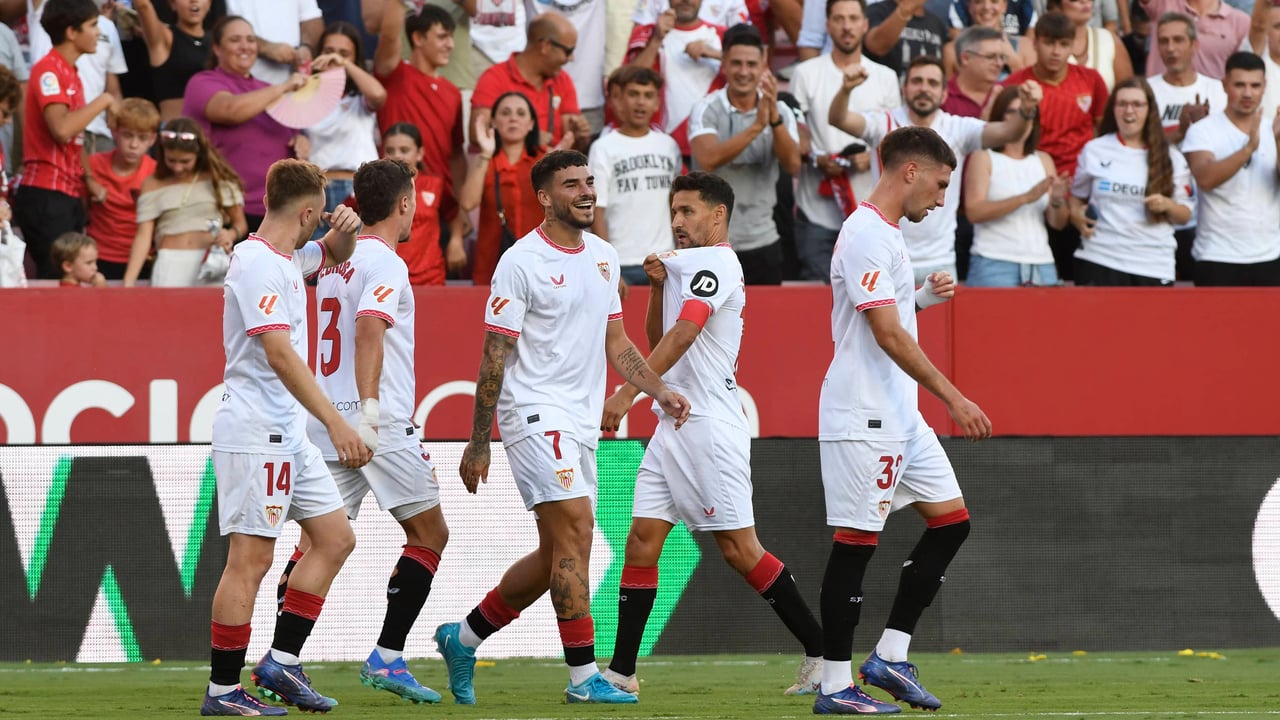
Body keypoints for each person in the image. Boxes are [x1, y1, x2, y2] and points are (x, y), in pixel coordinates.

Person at [433, 150, 690, 705]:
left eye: (589, 181)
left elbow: (617, 344)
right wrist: (479, 441)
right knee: (577, 528)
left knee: (557, 552)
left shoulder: (602, 255)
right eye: (571, 184)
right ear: (546, 198)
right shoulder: (519, 262)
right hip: (531, 412)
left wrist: (659, 390)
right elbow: (494, 356)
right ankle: (582, 677)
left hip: (578, 419)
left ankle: (464, 637)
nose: (586, 191)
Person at [597, 171, 825, 699]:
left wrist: (626, 393)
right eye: (673, 212)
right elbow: (661, 337)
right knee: (641, 543)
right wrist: (655, 289)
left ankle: (822, 653)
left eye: (689, 212)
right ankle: (622, 673)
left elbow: (686, 333)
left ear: (718, 216)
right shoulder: (683, 267)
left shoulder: (717, 262)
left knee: (741, 550)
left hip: (708, 426)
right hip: (672, 425)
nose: (677, 222)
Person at [815, 125, 990, 716]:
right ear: (910, 171)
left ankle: (889, 655)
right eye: (941, 185)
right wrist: (954, 397)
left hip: (898, 415)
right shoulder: (864, 231)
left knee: (952, 523)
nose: (942, 199)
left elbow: (886, 312)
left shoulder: (885, 235)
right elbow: (882, 332)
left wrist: (920, 298)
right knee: (856, 546)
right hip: (865, 413)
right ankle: (835, 686)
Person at [201, 159, 370, 717]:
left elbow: (332, 253)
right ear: (302, 211)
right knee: (250, 560)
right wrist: (337, 423)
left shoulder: (286, 257)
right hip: (256, 433)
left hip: (287, 436)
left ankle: (281, 661)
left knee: (335, 537)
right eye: (317, 213)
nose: (318, 222)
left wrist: (342, 227)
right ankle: (223, 691)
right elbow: (279, 354)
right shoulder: (254, 264)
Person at [284, 158, 451, 705]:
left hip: (322, 419)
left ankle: (284, 658)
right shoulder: (386, 263)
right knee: (429, 535)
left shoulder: (335, 261)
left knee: (313, 544)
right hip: (373, 423)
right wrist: (372, 413)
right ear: (405, 204)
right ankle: (387, 655)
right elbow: (369, 333)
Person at [829, 55, 1043, 283]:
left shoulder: (957, 127)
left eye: (932, 83)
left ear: (944, 93)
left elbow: (1010, 133)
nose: (924, 88)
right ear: (904, 88)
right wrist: (845, 90)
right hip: (888, 252)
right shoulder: (883, 123)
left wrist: (1027, 111)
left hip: (940, 260)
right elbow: (838, 119)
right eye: (917, 81)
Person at [790, 0, 900, 283]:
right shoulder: (805, 73)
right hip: (816, 213)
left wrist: (872, 156)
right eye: (839, 19)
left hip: (869, 215)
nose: (847, 26)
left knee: (868, 301)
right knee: (813, 307)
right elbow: (796, 131)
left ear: (865, 24)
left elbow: (896, 139)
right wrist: (814, 157)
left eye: (853, 18)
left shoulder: (885, 78)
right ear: (827, 25)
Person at [688, 23, 800, 285]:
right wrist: (757, 127)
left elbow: (793, 165)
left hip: (763, 240)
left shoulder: (780, 111)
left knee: (767, 325)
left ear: (764, 64)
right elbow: (708, 159)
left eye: (751, 64)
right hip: (710, 244)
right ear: (724, 63)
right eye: (736, 63)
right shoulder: (706, 108)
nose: (744, 72)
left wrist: (773, 121)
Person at [15, 0, 120, 280]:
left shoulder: (69, 71)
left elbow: (73, 138)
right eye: (93, 25)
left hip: (66, 192)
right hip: (46, 194)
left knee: (71, 284)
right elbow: (61, 129)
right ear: (72, 32)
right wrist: (106, 99)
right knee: (58, 281)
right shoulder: (48, 70)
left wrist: (88, 180)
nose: (99, 32)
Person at [1003, 11, 1108, 279]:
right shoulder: (1017, 84)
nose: (1056, 51)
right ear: (1035, 43)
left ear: (1073, 45)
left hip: (1080, 190)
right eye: (1049, 43)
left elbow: (1104, 131)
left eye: (1063, 44)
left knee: (1080, 272)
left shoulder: (1091, 79)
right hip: (1031, 187)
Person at [182, 15, 311, 233]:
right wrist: (283, 87)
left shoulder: (267, 88)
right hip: (227, 210)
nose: (245, 46)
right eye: (235, 40)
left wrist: (302, 140)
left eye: (251, 40)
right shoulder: (203, 82)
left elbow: (293, 132)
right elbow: (230, 111)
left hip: (277, 211)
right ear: (216, 48)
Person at [1069, 77, 1192, 285]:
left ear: (1149, 110)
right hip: (1100, 258)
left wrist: (1167, 205)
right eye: (1122, 104)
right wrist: (1075, 215)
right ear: (1113, 108)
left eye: (1137, 104)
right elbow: (1076, 199)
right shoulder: (1094, 149)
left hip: (1152, 264)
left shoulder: (1172, 157)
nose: (1129, 111)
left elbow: (1185, 215)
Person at [1182, 51, 1280, 286]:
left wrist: (1278, 142)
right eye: (1239, 85)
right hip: (1216, 256)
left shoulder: (1273, 130)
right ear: (1225, 85)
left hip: (1269, 255)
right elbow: (1205, 178)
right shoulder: (1202, 130)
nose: (1248, 93)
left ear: (1264, 86)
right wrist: (1248, 149)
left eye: (1255, 85)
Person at [964, 85, 1069, 286]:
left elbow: (1058, 223)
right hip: (994, 263)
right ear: (999, 117)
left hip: (1042, 264)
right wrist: (1025, 198)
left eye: (1027, 112)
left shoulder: (1043, 160)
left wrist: (1056, 201)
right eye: (1011, 112)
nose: (1020, 118)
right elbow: (974, 212)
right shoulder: (984, 157)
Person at [122, 117, 246, 287]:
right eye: (171, 160)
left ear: (199, 154)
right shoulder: (152, 184)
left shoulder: (218, 179)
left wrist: (230, 234)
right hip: (169, 261)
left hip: (211, 262)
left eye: (185, 161)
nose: (178, 167)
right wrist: (128, 283)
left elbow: (240, 224)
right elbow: (143, 236)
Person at [588, 66, 681, 286]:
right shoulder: (603, 148)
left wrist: (679, 253)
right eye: (634, 94)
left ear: (657, 103)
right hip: (622, 262)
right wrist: (608, 266)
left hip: (664, 260)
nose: (641, 102)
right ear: (620, 101)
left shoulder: (669, 146)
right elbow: (596, 210)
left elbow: (674, 204)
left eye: (648, 96)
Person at [458, 92, 557, 285]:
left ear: (531, 124)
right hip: (494, 266)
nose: (513, 118)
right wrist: (485, 153)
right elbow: (468, 203)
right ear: (493, 122)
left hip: (542, 267)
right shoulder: (485, 160)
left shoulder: (545, 159)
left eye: (521, 113)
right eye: (505, 113)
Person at [372, 2, 464, 194]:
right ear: (418, 38)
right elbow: (389, 38)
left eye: (451, 38)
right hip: (395, 193)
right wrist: (399, 3)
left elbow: (455, 155)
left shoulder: (453, 92)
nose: (451, 45)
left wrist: (460, 205)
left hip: (441, 201)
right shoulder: (395, 76)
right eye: (442, 37)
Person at [306, 20, 387, 227]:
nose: (334, 58)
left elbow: (378, 95)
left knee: (356, 258)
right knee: (317, 258)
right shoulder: (304, 97)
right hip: (316, 191)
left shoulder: (359, 98)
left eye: (344, 53)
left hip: (356, 190)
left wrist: (344, 65)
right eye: (329, 51)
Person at [471, 12, 590, 152]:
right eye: (568, 51)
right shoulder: (494, 78)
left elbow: (572, 143)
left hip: (551, 169)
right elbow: (476, 135)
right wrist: (528, 138)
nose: (571, 59)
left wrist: (581, 136)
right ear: (546, 46)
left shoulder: (563, 80)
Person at [626, 0, 726, 156]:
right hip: (660, 148)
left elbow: (756, 73)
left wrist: (715, 54)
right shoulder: (649, 33)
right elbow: (627, 82)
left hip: (713, 147)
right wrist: (657, 40)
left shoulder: (723, 35)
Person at [381, 122, 467, 285]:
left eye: (404, 150)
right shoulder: (375, 187)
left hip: (430, 278)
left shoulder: (436, 185)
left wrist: (456, 240)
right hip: (387, 278)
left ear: (420, 153)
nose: (396, 156)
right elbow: (351, 211)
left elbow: (453, 213)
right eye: (390, 151)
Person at [85, 97, 158, 281]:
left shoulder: (155, 172)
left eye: (142, 138)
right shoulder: (93, 165)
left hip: (142, 259)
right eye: (127, 135)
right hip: (98, 258)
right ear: (114, 132)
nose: (134, 145)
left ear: (152, 140)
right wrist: (88, 179)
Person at [1148, 12, 1226, 145]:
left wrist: (1206, 126)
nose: (1171, 48)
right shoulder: (1145, 90)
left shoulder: (1216, 89)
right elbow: (1140, 147)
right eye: (1164, 41)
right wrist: (1180, 132)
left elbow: (1227, 142)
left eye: (1178, 40)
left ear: (1194, 46)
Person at [131, 0, 215, 122]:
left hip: (212, 135)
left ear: (210, 3)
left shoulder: (218, 42)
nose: (194, 1)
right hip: (175, 134)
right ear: (173, 4)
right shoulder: (164, 38)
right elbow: (143, 6)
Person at [1020, 0, 1132, 91]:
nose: (1085, 2)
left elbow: (1128, 90)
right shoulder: (1042, 45)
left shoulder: (1109, 39)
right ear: (1056, 5)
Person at [1140, 0, 1249, 78]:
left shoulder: (1240, 22)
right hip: (1163, 103)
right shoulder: (1163, 3)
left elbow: (1244, 72)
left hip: (1215, 104)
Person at [224, 0, 323, 84]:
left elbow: (312, 18)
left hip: (294, 86)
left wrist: (306, 47)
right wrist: (265, 47)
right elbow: (222, 28)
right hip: (242, 85)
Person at [863, 0, 948, 81]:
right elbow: (876, 47)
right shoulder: (877, 11)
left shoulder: (937, 23)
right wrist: (906, 9)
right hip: (887, 92)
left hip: (924, 92)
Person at [942, 26, 1010, 116]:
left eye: (1002, 57)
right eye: (990, 57)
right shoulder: (941, 96)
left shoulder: (1007, 95)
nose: (999, 64)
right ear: (965, 58)